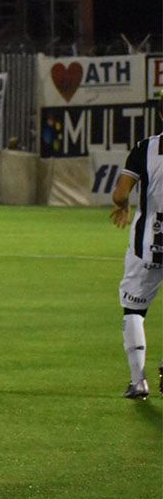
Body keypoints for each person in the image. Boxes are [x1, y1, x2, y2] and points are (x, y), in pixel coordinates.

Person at [109, 104, 163, 399]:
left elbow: (120, 193)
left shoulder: (145, 149)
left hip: (149, 243)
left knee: (134, 309)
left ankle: (138, 381)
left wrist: (123, 205)